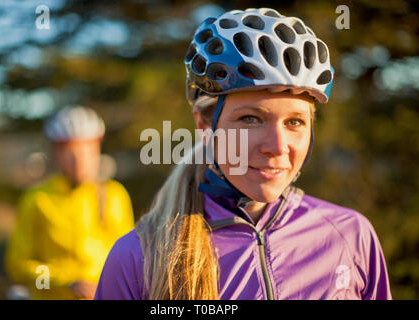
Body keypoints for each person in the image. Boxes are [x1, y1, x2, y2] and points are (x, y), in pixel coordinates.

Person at [95, 8, 391, 300]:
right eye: (250, 119)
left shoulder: (351, 235)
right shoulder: (137, 258)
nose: (277, 146)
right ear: (204, 125)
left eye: (295, 122)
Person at [5, 105, 135, 299]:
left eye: (88, 150)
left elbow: (130, 260)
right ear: (56, 153)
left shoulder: (115, 195)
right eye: (71, 152)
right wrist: (66, 282)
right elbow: (18, 267)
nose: (80, 160)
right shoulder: (36, 199)